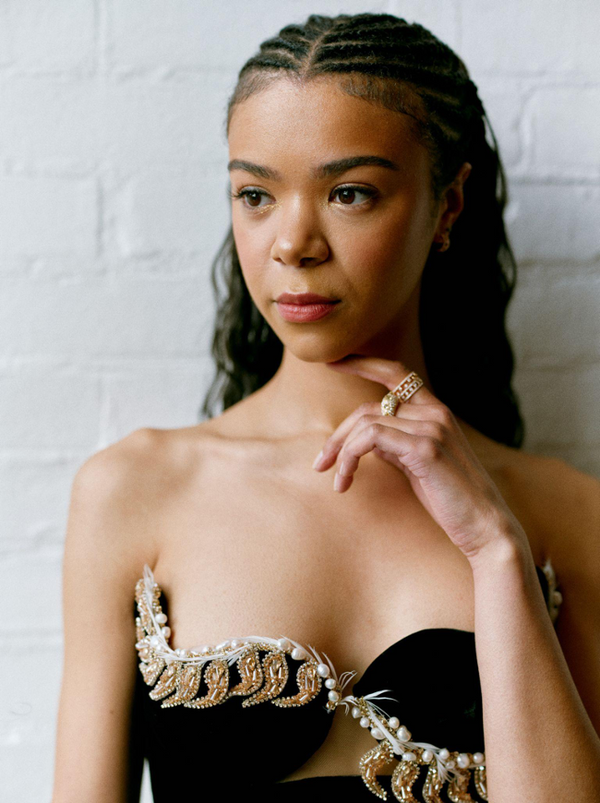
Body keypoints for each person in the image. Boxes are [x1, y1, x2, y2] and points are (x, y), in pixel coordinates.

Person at [51, 12, 600, 803]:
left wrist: (491, 545)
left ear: (448, 206)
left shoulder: (561, 512)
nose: (293, 242)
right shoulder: (135, 490)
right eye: (256, 194)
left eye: (349, 193)